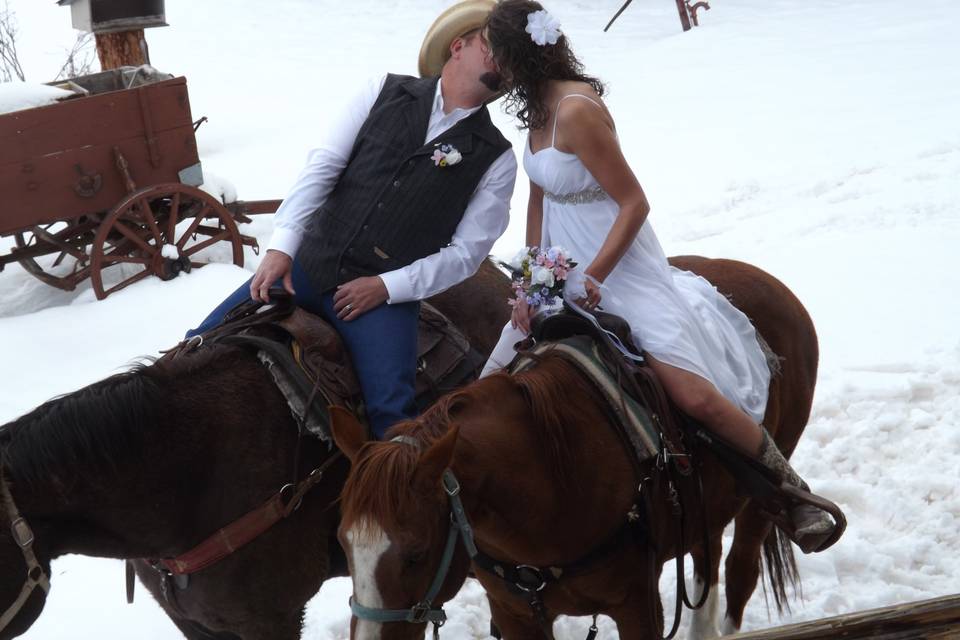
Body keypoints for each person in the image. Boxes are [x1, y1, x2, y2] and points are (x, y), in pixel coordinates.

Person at [480, 0, 836, 548]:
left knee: (694, 396)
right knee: (491, 379)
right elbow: (539, 200)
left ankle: (791, 493)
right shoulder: (536, 116)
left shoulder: (577, 111)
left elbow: (634, 203)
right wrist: (531, 280)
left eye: (495, 53)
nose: (491, 66)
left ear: (518, 54)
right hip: (559, 268)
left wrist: (594, 276)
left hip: (619, 270)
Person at [187, 0, 517, 440]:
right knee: (196, 346)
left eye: (513, 57)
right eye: (494, 46)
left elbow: (466, 255)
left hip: (381, 301)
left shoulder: (496, 157)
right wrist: (282, 247)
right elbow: (323, 167)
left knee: (392, 423)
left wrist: (387, 287)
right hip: (307, 265)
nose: (503, 61)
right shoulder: (383, 90)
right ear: (458, 46)